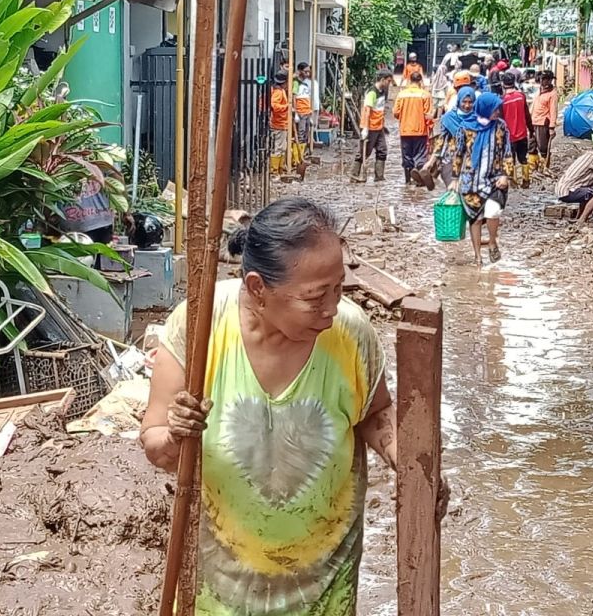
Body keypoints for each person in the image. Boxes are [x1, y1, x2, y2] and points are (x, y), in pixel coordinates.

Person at [141, 198, 448, 615]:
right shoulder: (199, 324)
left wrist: (413, 466)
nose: (332, 308)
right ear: (257, 288)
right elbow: (157, 446)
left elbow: (374, 415)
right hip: (218, 588)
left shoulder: (351, 333)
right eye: (315, 297)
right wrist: (179, 433)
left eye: (339, 288)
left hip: (323, 588)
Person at [450, 92, 513, 266]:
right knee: (475, 219)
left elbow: (507, 152)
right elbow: (458, 153)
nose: (497, 112)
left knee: (493, 211)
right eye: (494, 109)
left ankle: (492, 241)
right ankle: (477, 256)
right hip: (471, 181)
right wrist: (455, 178)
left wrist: (505, 175)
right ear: (485, 109)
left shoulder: (501, 127)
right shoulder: (465, 128)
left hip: (494, 179)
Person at [393, 70, 433, 185]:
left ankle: (407, 181)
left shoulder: (402, 94)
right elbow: (428, 115)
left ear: (410, 80)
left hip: (405, 130)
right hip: (420, 131)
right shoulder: (425, 95)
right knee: (420, 155)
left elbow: (396, 113)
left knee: (406, 156)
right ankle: (419, 180)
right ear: (420, 81)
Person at [352, 70, 392, 182]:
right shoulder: (372, 93)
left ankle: (379, 177)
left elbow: (379, 110)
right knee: (364, 153)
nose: (389, 83)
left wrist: (383, 126)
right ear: (383, 79)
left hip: (379, 127)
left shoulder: (382, 92)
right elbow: (367, 111)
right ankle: (354, 175)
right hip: (370, 128)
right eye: (388, 81)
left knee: (382, 150)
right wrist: (365, 128)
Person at [501, 72, 534, 188]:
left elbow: (501, 120)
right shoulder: (521, 96)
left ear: (503, 84)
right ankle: (526, 181)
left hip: (509, 136)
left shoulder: (503, 100)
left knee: (511, 159)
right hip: (522, 134)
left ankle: (514, 183)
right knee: (523, 158)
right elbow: (527, 114)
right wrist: (531, 129)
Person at [530, 71, 558, 170]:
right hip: (533, 121)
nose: (543, 81)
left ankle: (544, 168)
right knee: (531, 146)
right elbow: (533, 105)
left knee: (543, 147)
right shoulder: (539, 90)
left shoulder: (552, 93)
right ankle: (534, 167)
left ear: (550, 80)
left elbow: (553, 111)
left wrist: (552, 127)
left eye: (546, 79)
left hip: (542, 123)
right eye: (542, 79)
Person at [294, 62, 315, 147]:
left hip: (307, 111)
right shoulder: (296, 83)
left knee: (306, 133)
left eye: (308, 72)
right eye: (305, 72)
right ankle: (299, 153)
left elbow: (308, 99)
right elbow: (293, 97)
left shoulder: (305, 84)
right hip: (300, 111)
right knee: (301, 133)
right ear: (300, 71)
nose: (307, 74)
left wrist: (310, 111)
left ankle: (304, 151)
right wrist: (295, 113)